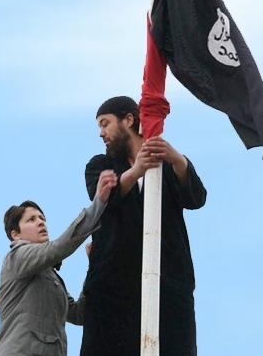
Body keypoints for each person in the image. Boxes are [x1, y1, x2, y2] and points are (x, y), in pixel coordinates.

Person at [80, 96, 207, 356]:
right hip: (113, 289)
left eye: (105, 124)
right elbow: (102, 200)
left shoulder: (166, 166)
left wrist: (178, 161)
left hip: (168, 284)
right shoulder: (99, 166)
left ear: (128, 119)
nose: (101, 133)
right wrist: (136, 170)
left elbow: (196, 198)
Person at [0, 170, 118, 356]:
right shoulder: (16, 258)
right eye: (31, 220)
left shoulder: (50, 277)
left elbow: (78, 314)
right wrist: (98, 204)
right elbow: (58, 248)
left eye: (42, 218)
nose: (41, 223)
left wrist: (93, 267)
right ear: (15, 235)